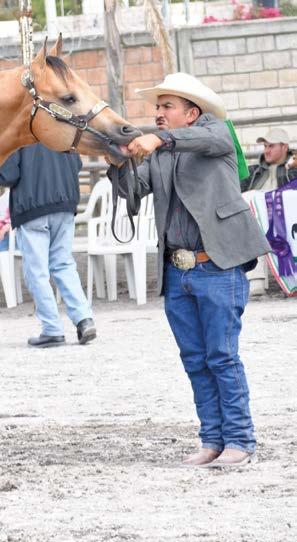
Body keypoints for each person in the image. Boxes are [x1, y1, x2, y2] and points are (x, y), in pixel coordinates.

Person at [109, 72, 270, 467]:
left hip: (217, 266)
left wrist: (159, 139)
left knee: (222, 356)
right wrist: (117, 162)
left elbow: (211, 139)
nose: (159, 113)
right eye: (157, 107)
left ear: (193, 113)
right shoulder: (161, 153)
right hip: (178, 271)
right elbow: (132, 192)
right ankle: (212, 440)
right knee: (196, 360)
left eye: (167, 106)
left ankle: (240, 439)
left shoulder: (217, 133)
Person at [0, 143, 96, 348]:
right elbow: (76, 164)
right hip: (65, 203)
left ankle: (52, 329)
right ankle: (84, 319)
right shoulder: (62, 131)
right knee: (63, 264)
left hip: (32, 207)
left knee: (36, 272)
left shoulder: (20, 135)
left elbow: (8, 175)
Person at [241, 127, 297, 192]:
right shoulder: (252, 171)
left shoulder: (294, 170)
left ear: (284, 147)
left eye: (271, 146)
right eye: (265, 146)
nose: (266, 151)